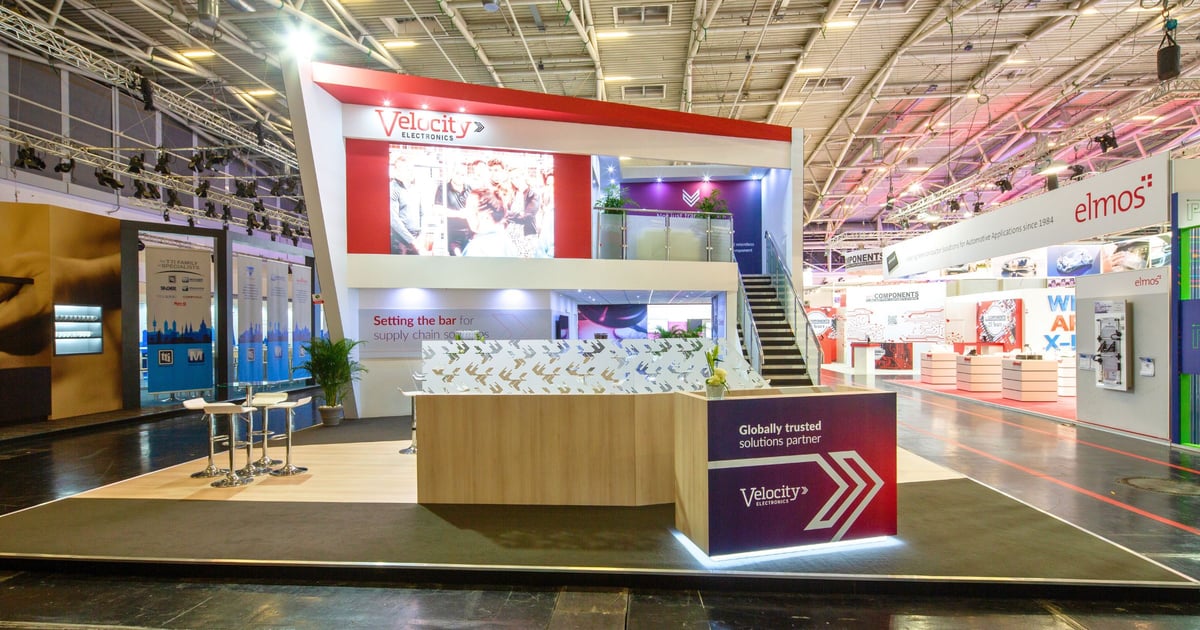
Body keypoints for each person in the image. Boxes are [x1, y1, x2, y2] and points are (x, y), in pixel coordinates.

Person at [462, 189, 518, 257]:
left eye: (470, 210)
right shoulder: (509, 244)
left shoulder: (475, 248)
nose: (466, 215)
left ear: (486, 215)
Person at [389, 153, 422, 255]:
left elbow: (423, 213)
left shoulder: (415, 189)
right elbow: (394, 220)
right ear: (397, 171)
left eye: (411, 168)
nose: (410, 171)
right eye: (406, 169)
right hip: (400, 242)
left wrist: (422, 235)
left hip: (417, 239)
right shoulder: (392, 189)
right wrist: (412, 241)